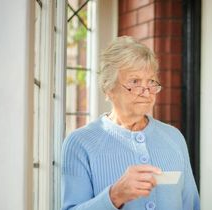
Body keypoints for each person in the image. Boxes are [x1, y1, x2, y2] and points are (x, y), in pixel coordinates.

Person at [61, 36, 200, 210]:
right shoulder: (79, 143)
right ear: (109, 88)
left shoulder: (174, 137)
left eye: (151, 82)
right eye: (135, 82)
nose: (146, 92)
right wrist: (115, 196)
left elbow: (191, 205)